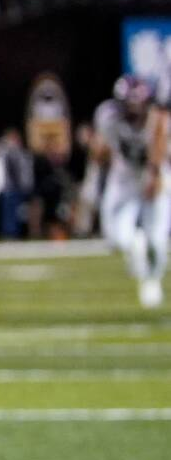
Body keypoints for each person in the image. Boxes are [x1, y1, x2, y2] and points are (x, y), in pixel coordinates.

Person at [91, 75, 169, 308]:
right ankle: (137, 245)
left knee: (157, 236)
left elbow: (159, 144)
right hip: (124, 177)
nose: (134, 111)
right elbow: (101, 151)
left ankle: (152, 281)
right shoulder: (108, 117)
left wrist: (154, 175)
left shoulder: (158, 119)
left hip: (154, 172)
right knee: (115, 236)